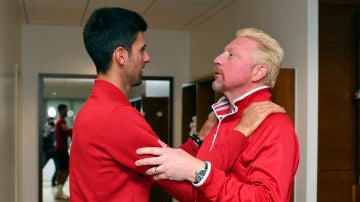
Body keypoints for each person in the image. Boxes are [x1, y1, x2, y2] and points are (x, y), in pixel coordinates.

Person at [69, 7, 285, 202]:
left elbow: (170, 164)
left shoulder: (93, 110)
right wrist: (241, 130)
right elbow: (190, 189)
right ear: (121, 56)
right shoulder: (118, 117)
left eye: (231, 55)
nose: (147, 58)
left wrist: (198, 138)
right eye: (142, 49)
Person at [135, 27, 300, 202]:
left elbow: (268, 199)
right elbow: (196, 193)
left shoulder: (274, 124)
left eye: (231, 55)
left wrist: (201, 173)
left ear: (258, 72)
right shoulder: (219, 118)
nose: (217, 59)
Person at [54, 104, 72, 200]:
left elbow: (68, 132)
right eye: (65, 110)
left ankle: (59, 191)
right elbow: (69, 130)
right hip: (61, 149)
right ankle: (59, 191)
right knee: (66, 169)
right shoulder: (61, 121)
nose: (66, 112)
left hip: (60, 149)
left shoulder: (59, 121)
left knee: (61, 170)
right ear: (61, 111)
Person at [42, 117, 57, 186]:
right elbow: (44, 138)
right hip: (46, 151)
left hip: (54, 150)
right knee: (41, 165)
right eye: (50, 122)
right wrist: (47, 130)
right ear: (47, 121)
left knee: (58, 167)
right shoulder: (43, 128)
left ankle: (53, 181)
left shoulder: (55, 129)